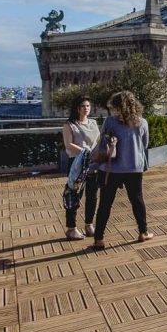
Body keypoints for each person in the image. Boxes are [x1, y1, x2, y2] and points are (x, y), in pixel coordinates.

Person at [91, 91, 153, 249]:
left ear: (117, 106)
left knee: (105, 203)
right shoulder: (142, 122)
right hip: (133, 168)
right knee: (137, 200)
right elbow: (145, 145)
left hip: (111, 168)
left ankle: (99, 239)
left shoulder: (110, 122)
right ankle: (143, 232)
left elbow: (102, 142)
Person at [61, 96, 100, 240]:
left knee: (92, 195)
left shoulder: (94, 123)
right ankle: (71, 228)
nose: (86, 108)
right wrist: (87, 153)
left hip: (93, 163)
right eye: (83, 106)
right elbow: (68, 145)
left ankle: (89, 225)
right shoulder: (69, 125)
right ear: (77, 108)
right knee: (74, 195)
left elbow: (97, 141)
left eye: (88, 106)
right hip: (77, 164)